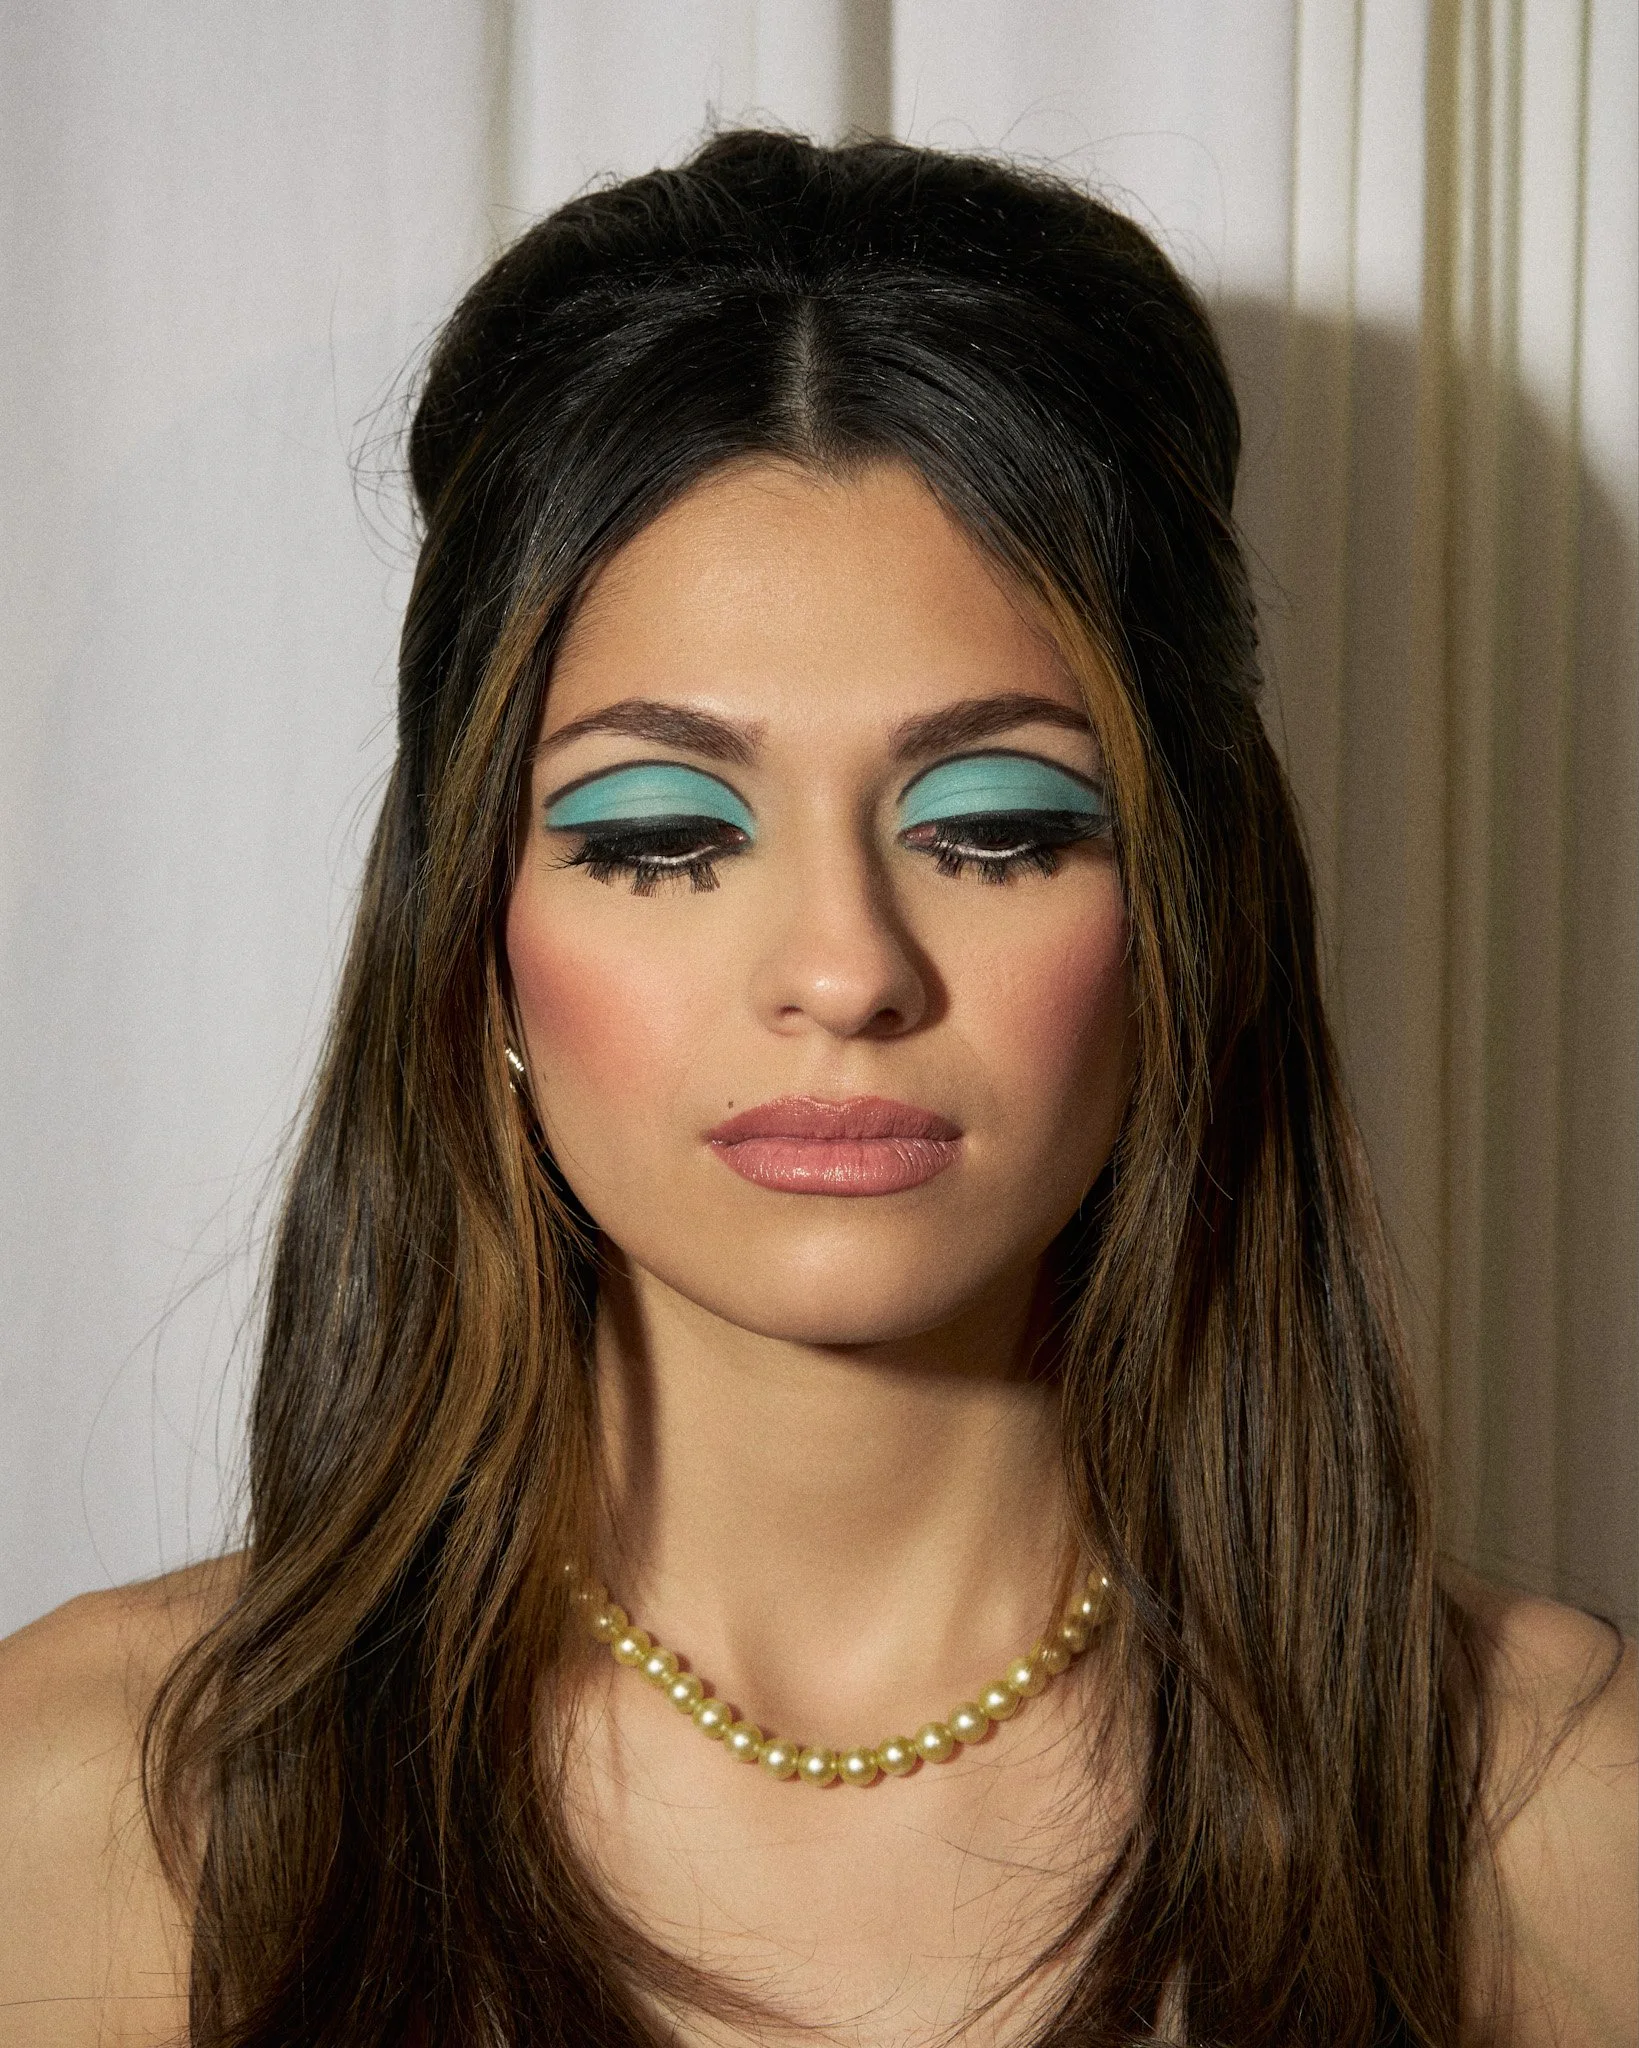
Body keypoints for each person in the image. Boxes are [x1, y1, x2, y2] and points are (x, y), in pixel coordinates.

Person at [0, 130, 1631, 2048]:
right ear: (474, 935)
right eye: (660, 835)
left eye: (997, 825)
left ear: (1187, 918)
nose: (846, 970)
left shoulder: (1548, 1814)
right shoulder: (92, 1804)